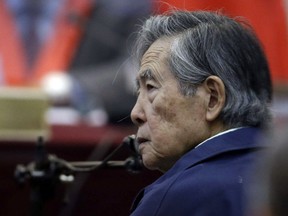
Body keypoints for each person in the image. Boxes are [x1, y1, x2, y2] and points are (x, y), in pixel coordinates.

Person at [129, 10, 272, 216]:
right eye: (138, 91)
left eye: (151, 87)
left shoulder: (180, 197)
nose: (135, 113)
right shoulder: (277, 173)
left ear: (212, 98)